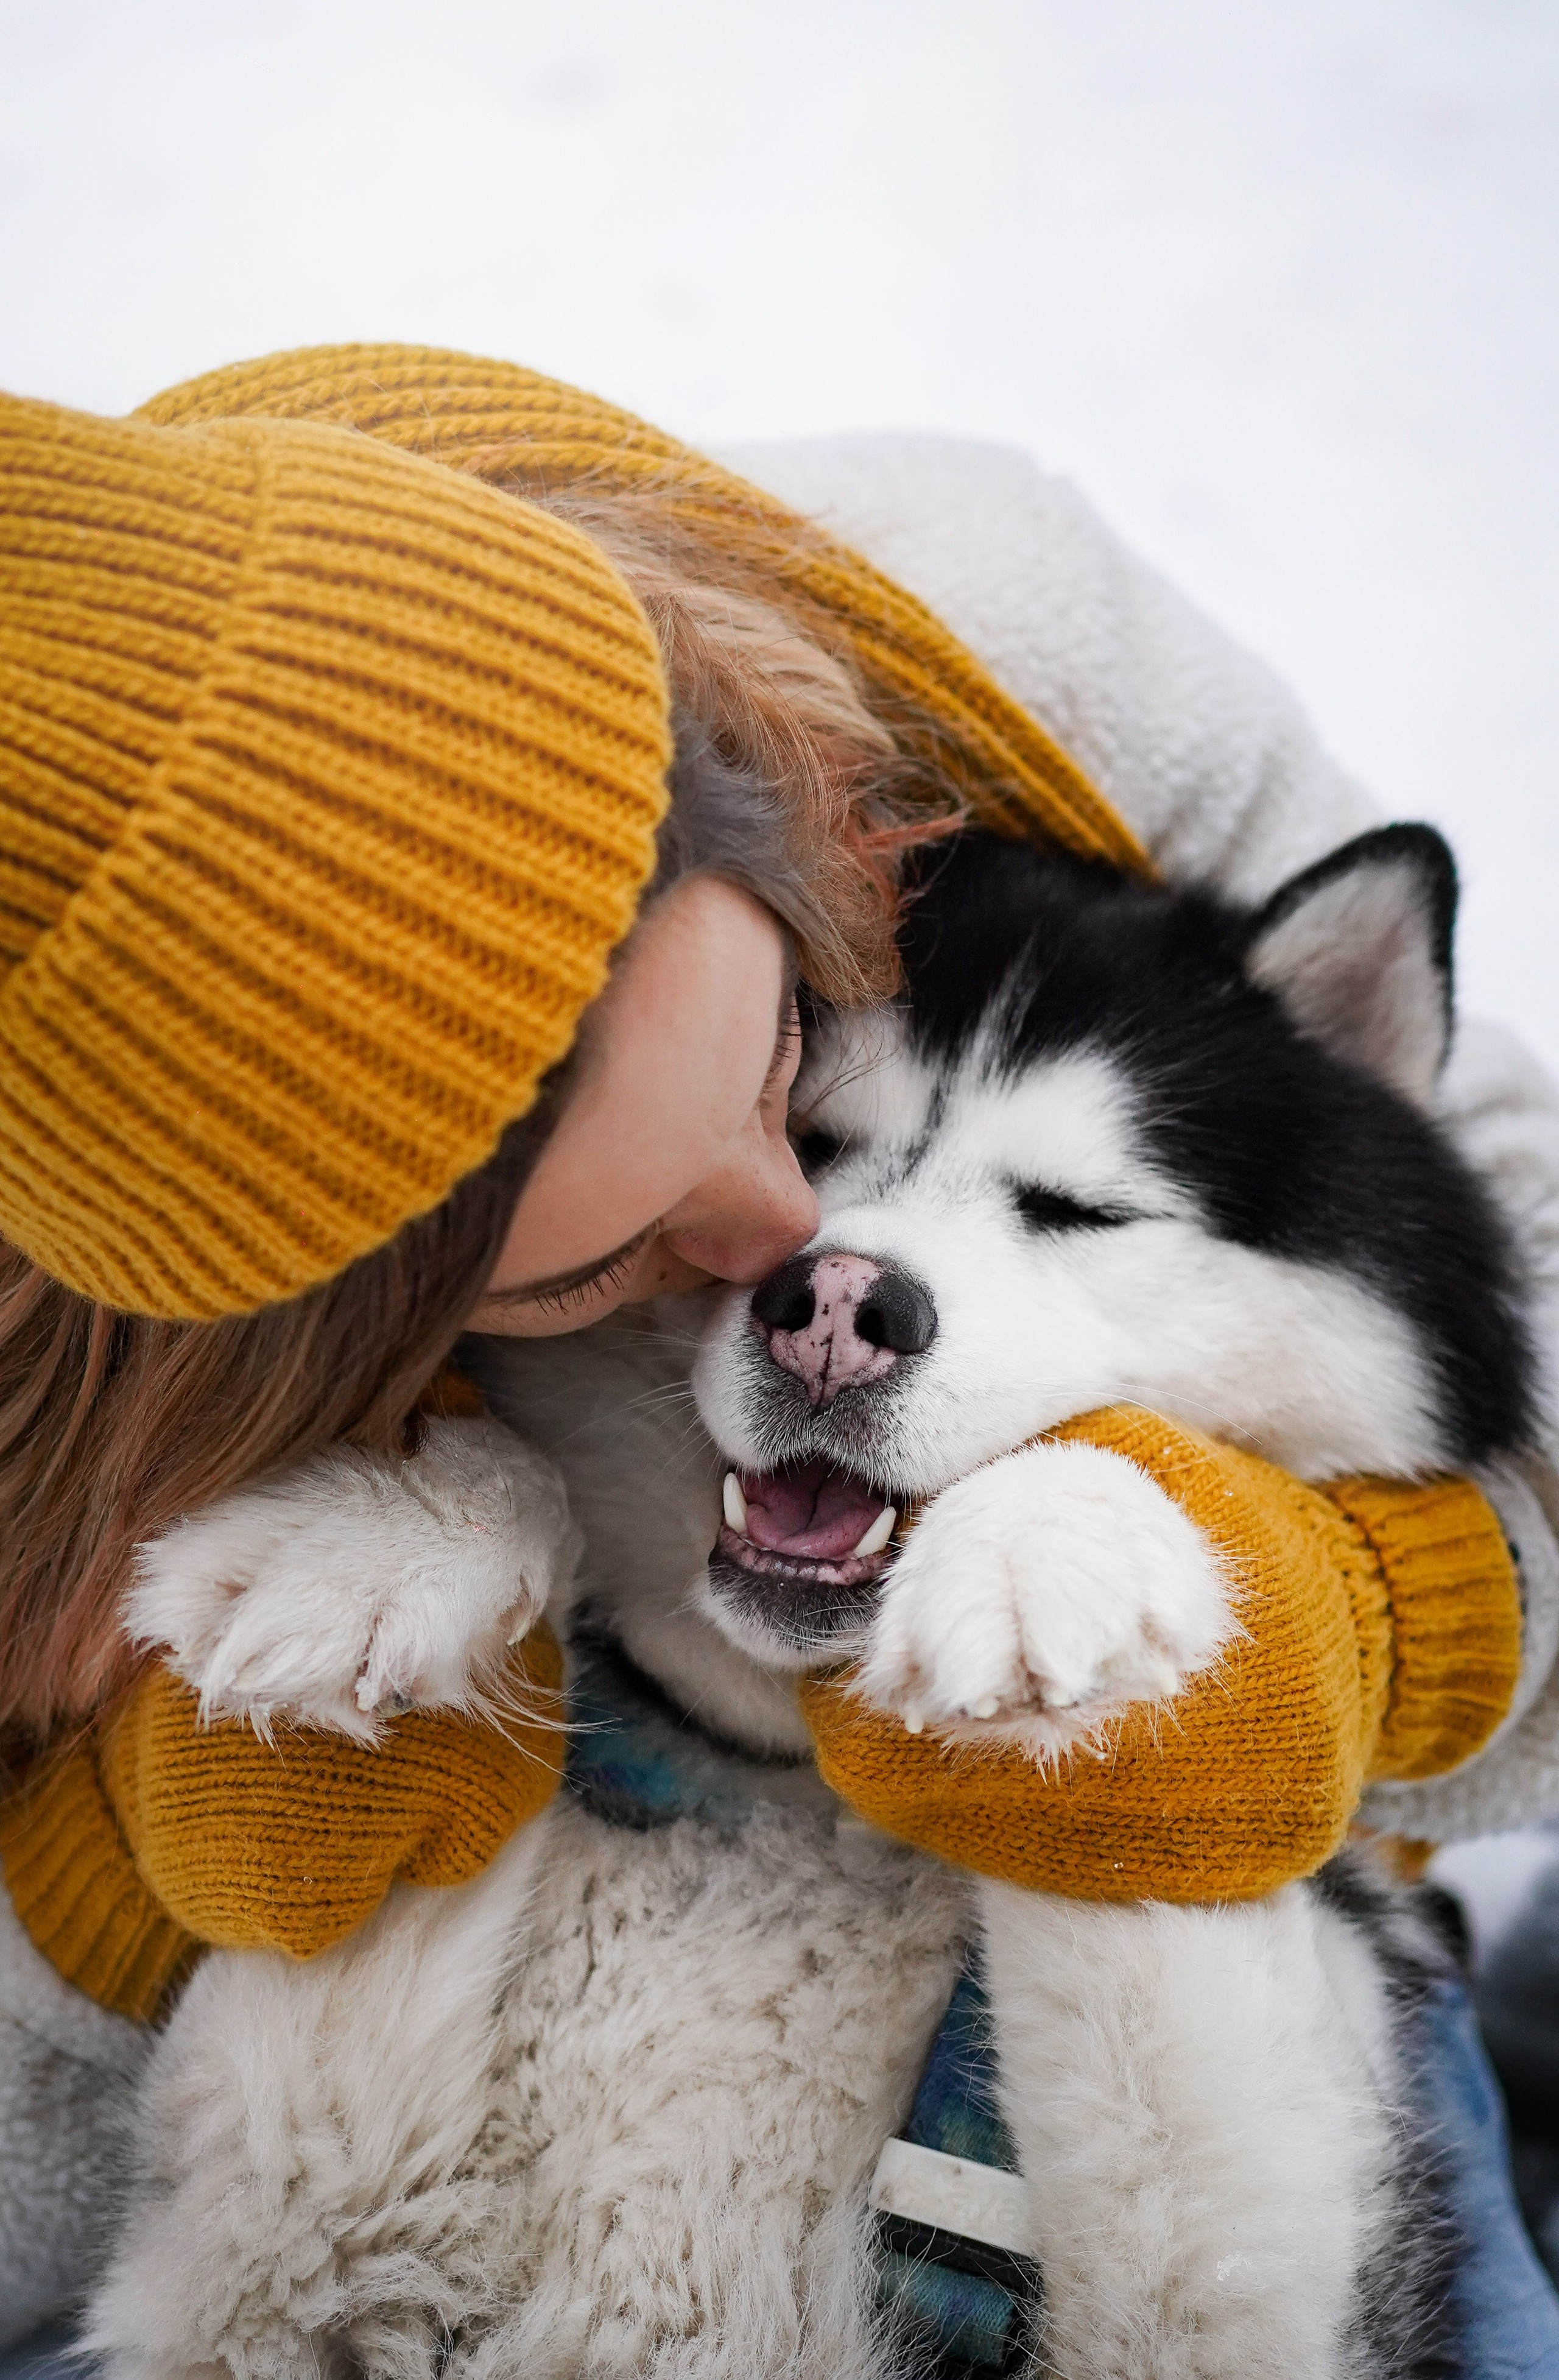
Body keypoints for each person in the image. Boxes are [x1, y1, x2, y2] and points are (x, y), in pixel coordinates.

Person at [1, 347, 1557, 2371]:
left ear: (778, 825)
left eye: (771, 1073)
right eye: (611, 1256)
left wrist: (1384, 1617)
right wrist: (130, 1851)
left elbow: (1493, 1263)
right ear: (315, 1327)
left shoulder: (985, 620)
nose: (796, 1255)